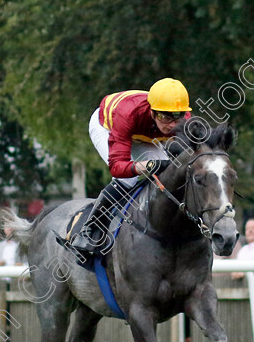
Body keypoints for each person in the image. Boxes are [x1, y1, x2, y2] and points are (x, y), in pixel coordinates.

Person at [71, 78, 192, 254]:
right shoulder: (127, 114)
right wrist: (147, 165)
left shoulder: (183, 119)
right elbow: (117, 167)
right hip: (108, 126)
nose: (172, 124)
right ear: (152, 112)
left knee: (171, 173)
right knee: (128, 178)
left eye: (177, 117)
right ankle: (91, 229)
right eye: (165, 117)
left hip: (144, 134)